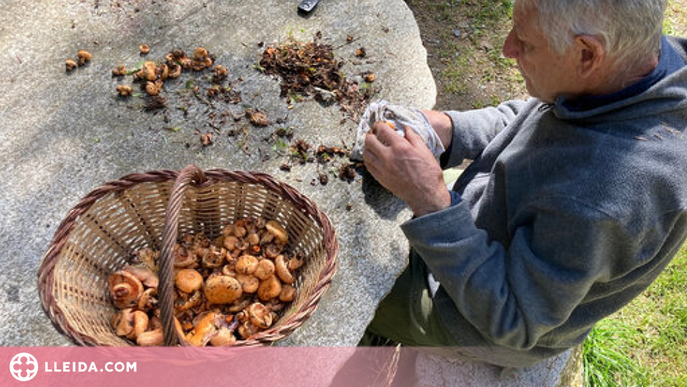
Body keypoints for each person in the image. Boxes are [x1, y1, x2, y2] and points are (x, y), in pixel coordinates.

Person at [360, 0, 687, 368]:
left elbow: (511, 319)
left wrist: (432, 201)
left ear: (586, 53)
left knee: (348, 282)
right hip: (488, 225)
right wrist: (451, 130)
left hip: (477, 316)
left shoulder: (601, 197)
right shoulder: (641, 66)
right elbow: (542, 114)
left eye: (526, 42)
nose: (507, 48)